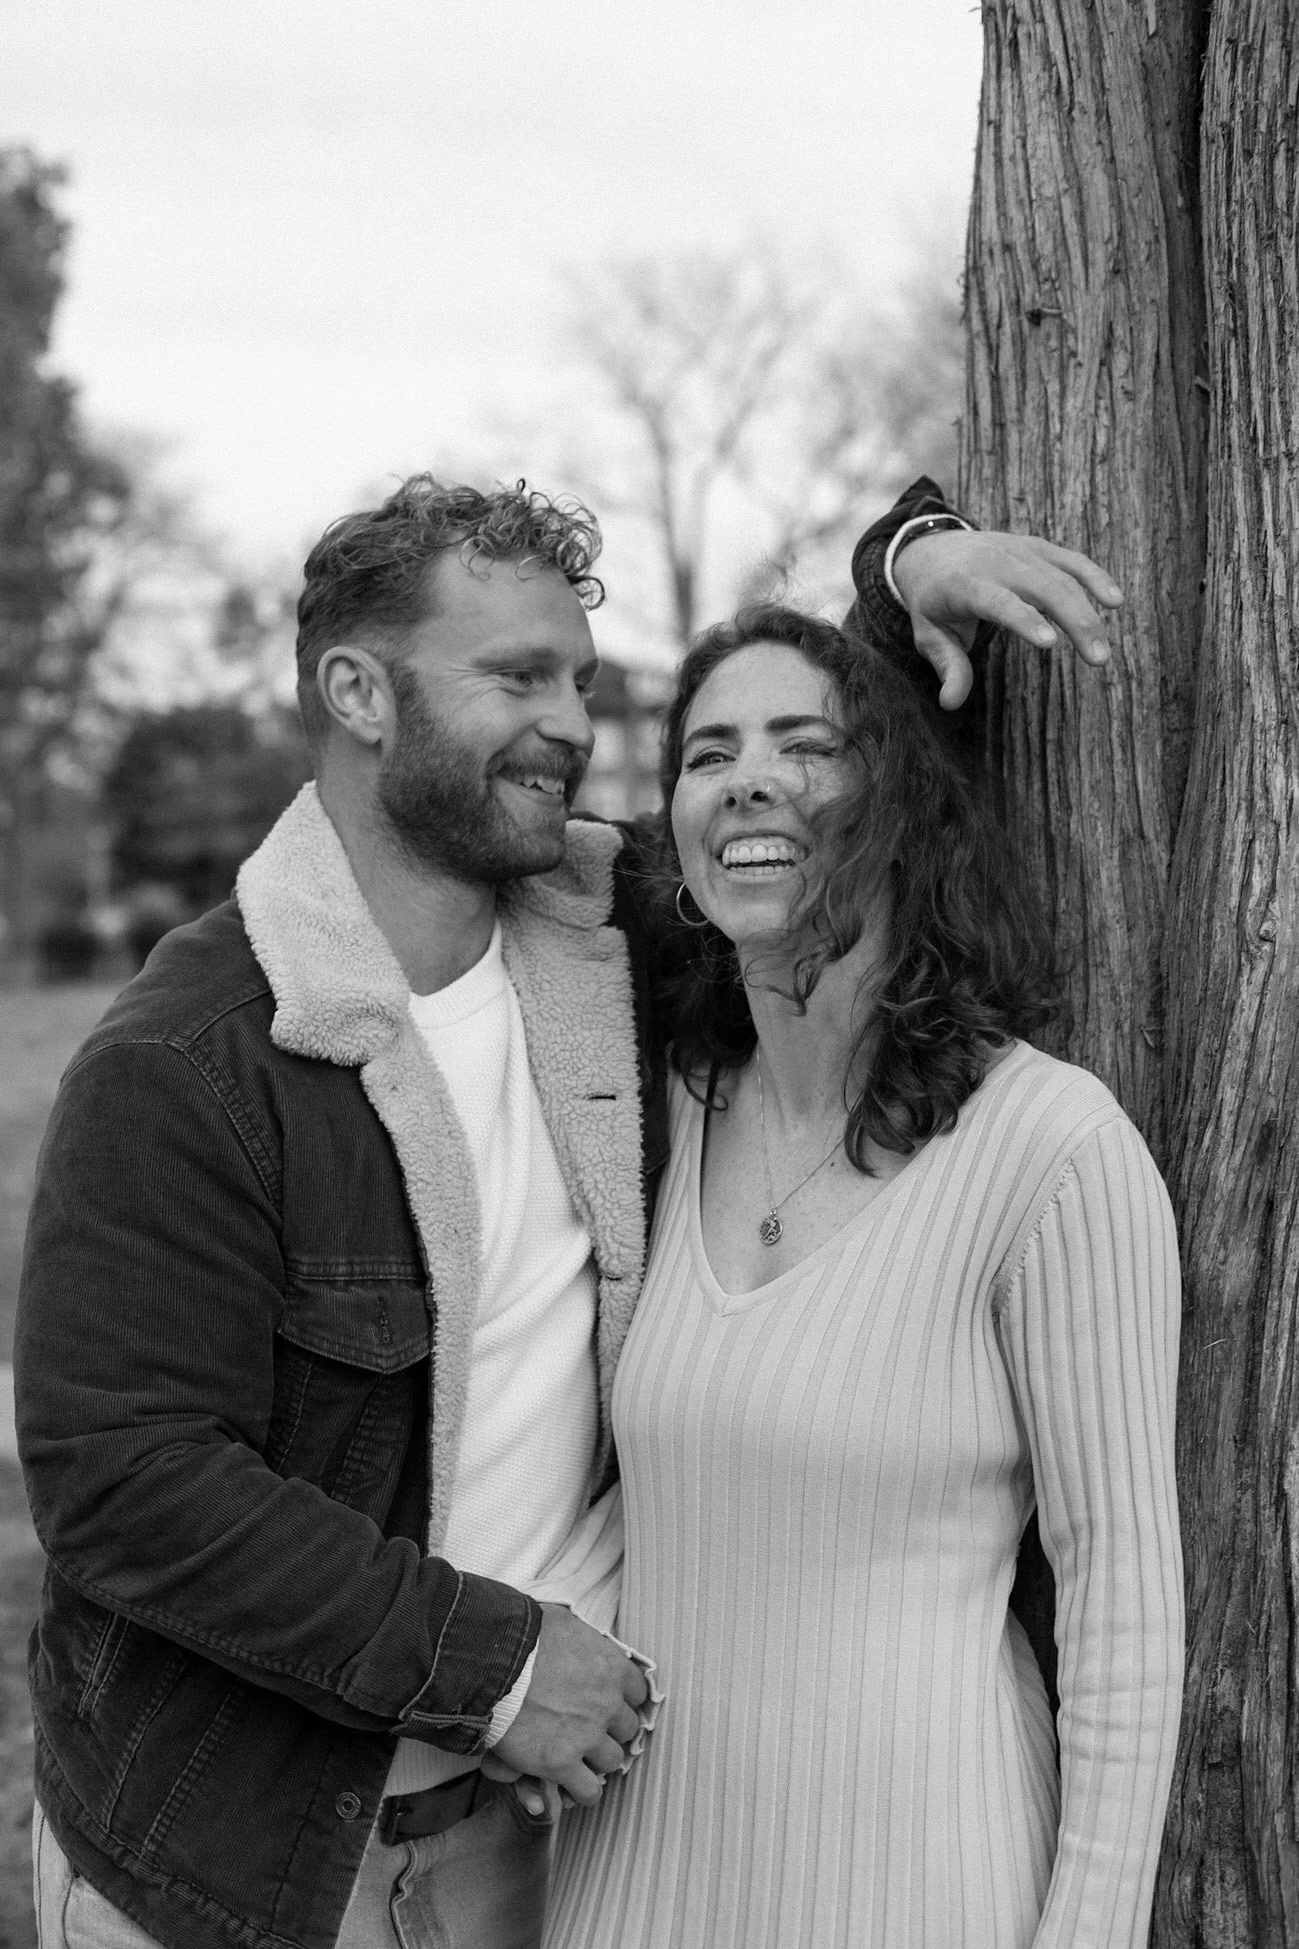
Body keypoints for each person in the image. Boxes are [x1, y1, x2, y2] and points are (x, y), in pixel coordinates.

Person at [15, 473, 1125, 1949]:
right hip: (238, 1865)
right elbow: (124, 1478)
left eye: (581, 683)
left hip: (529, 1847)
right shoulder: (192, 1058)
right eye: (516, 677)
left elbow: (789, 790)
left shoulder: (607, 939)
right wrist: (495, 1668)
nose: (569, 725)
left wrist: (905, 563)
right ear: (358, 694)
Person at [545, 605, 1184, 1949]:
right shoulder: (659, 1118)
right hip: (632, 1890)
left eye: (806, 744)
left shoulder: (1048, 1149)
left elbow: (1121, 1602)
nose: (749, 780)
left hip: (923, 1883)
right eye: (708, 753)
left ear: (896, 806)